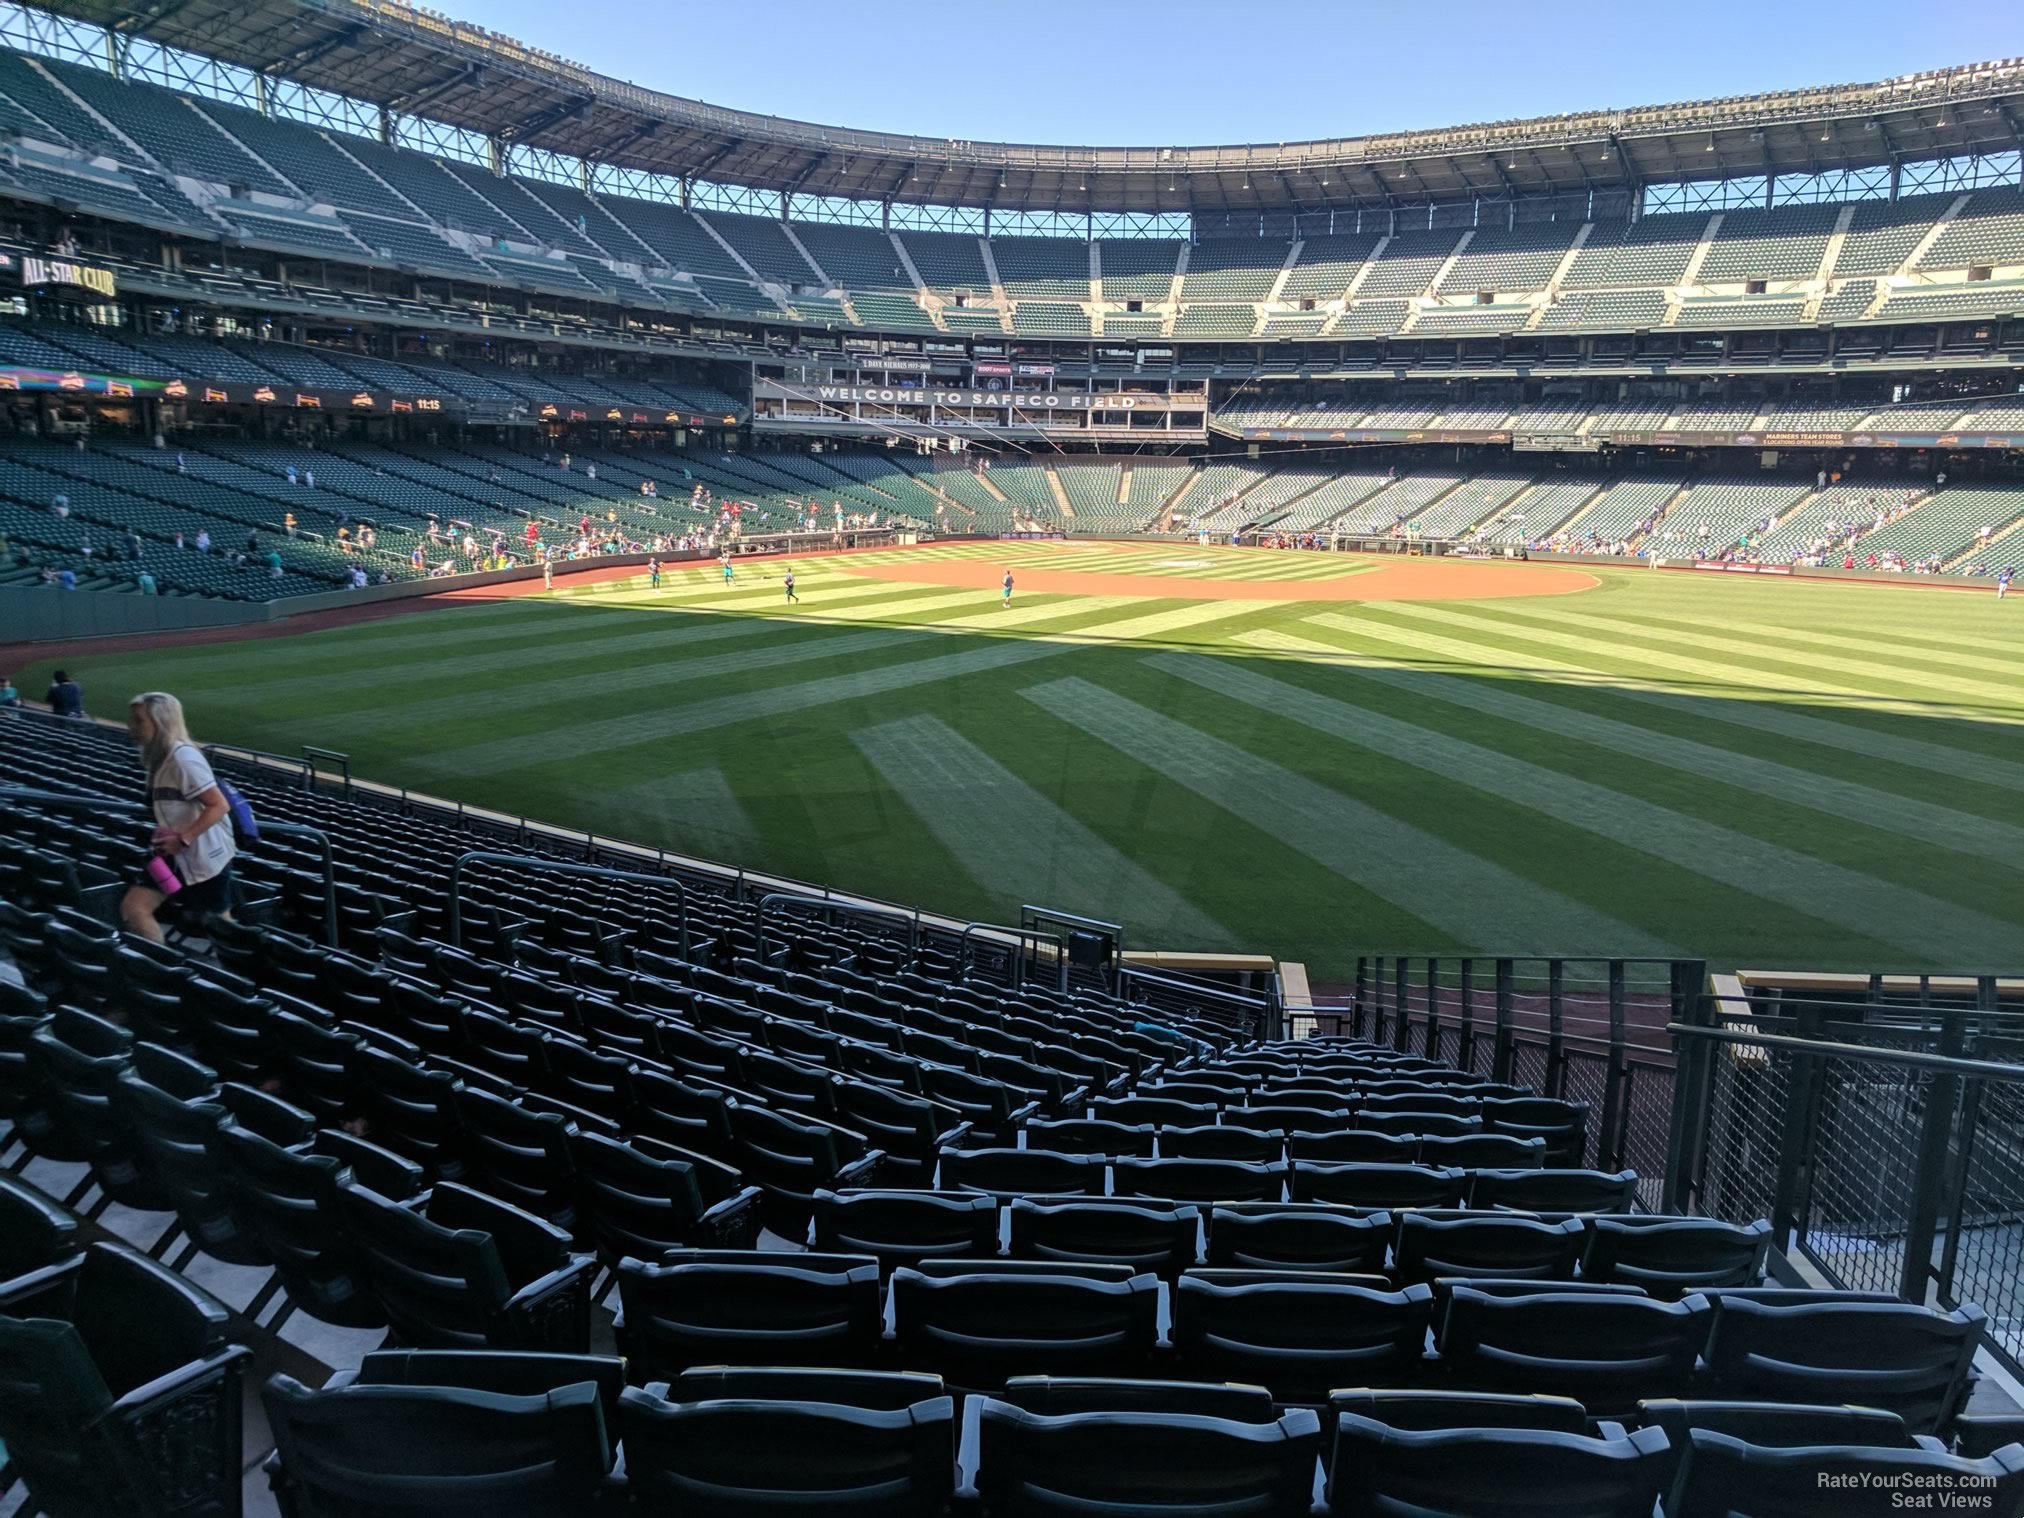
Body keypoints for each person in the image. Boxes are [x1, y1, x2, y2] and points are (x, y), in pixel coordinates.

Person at [120, 692, 236, 945]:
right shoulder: (159, 758)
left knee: (220, 929)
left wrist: (183, 839)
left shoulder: (183, 758)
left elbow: (219, 805)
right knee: (134, 908)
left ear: (161, 722)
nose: (132, 726)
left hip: (206, 857)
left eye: (139, 720)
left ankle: (242, 976)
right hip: (176, 856)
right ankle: (160, 972)